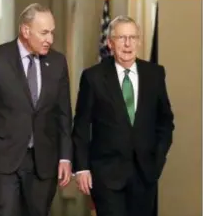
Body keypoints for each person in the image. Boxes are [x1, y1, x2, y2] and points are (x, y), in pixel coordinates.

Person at [0, 3, 72, 216]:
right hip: (2, 158)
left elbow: (63, 114)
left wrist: (65, 158)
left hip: (43, 160)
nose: (50, 39)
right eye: (44, 32)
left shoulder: (58, 62)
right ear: (25, 30)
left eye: (52, 32)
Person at [72, 15, 174, 216]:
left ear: (138, 41)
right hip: (107, 176)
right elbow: (82, 126)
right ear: (110, 43)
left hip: (145, 174)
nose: (127, 44)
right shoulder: (93, 77)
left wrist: (158, 158)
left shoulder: (155, 74)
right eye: (121, 38)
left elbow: (165, 122)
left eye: (132, 37)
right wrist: (82, 168)